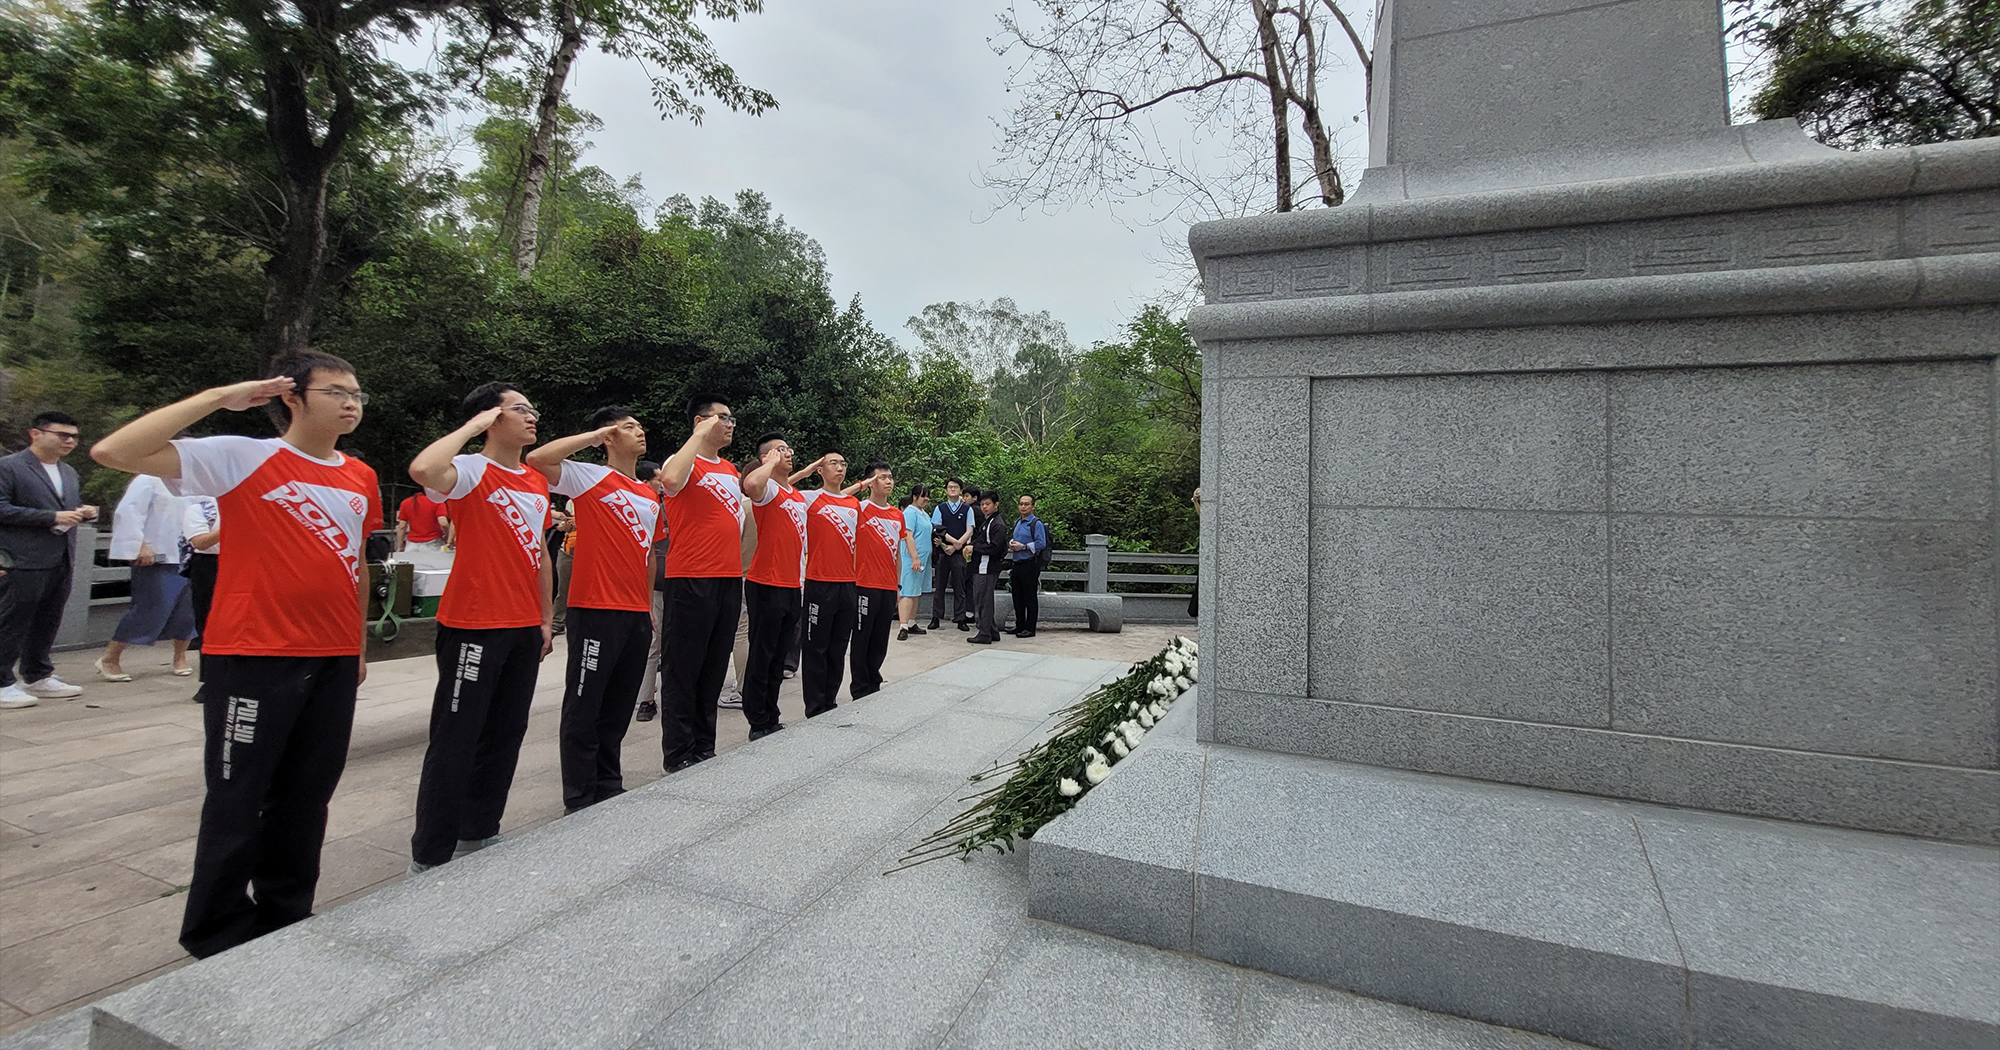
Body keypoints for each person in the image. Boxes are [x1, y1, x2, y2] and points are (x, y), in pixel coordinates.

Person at [90, 352, 379, 959]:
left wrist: (354, 643)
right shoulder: (243, 456)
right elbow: (113, 452)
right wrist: (219, 396)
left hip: (329, 654)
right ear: (292, 397)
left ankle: (286, 914)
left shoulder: (360, 475)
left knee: (307, 797)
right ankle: (215, 933)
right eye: (335, 391)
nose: (351, 402)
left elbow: (355, 565)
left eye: (356, 393)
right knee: (236, 796)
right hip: (254, 652)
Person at [407, 381, 554, 874]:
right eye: (520, 409)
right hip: (473, 624)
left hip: (521, 626)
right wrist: (473, 426)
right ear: (492, 419)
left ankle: (481, 830)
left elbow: (538, 556)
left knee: (506, 731)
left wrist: (545, 616)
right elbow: (424, 469)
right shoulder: (470, 470)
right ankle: (431, 852)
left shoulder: (534, 481)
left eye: (532, 409)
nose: (532, 416)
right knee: (456, 736)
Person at [527, 406, 659, 813]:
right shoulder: (587, 477)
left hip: (635, 611)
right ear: (607, 436)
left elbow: (648, 553)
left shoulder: (650, 494)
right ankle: (579, 794)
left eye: (639, 426)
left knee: (618, 704)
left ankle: (608, 781)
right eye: (629, 427)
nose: (639, 432)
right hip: (594, 607)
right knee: (586, 703)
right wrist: (596, 433)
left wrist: (647, 606)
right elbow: (537, 459)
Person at [655, 394, 744, 773]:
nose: (730, 424)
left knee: (713, 665)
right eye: (722, 418)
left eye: (731, 417)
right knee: (682, 667)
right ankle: (678, 752)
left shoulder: (729, 469)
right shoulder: (682, 463)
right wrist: (698, 436)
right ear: (700, 422)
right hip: (691, 577)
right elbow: (670, 480)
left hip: (727, 578)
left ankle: (704, 745)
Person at [0, 411, 98, 708]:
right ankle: (2, 680)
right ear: (36, 433)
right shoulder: (9, 467)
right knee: (12, 620)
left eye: (74, 436)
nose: (69, 441)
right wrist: (50, 516)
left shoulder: (69, 472)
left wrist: (82, 512)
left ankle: (37, 674)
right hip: (21, 557)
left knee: (48, 618)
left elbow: (62, 509)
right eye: (62, 435)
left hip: (61, 555)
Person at [97, 473, 197, 681]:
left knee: (188, 610)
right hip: (158, 554)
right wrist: (137, 545)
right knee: (151, 607)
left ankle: (180, 656)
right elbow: (129, 512)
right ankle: (110, 657)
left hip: (191, 553)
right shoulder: (148, 479)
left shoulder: (197, 480)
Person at [738, 432, 805, 741]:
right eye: (781, 450)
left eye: (788, 449)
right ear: (766, 458)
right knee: (762, 654)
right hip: (766, 582)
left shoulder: (794, 494)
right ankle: (758, 719)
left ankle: (771, 714)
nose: (787, 453)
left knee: (779, 656)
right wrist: (770, 460)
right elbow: (751, 484)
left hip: (792, 584)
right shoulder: (767, 490)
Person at [792, 451, 858, 716]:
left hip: (848, 584)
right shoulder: (809, 498)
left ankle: (830, 701)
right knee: (815, 646)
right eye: (833, 463)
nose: (840, 468)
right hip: (820, 582)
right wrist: (806, 470)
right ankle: (815, 705)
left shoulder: (854, 504)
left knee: (839, 645)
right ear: (821, 469)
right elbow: (781, 487)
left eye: (843, 463)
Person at [849, 463, 917, 698]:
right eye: (882, 478)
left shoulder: (897, 514)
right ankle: (859, 686)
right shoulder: (859, 509)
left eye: (890, 477)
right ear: (870, 482)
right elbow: (836, 498)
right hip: (864, 584)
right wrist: (860, 487)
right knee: (861, 638)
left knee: (880, 639)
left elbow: (897, 554)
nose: (888, 481)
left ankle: (873, 681)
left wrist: (898, 585)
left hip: (888, 586)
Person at [633, 459, 665, 723]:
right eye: (658, 478)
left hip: (674, 583)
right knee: (654, 644)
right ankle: (646, 699)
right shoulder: (645, 507)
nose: (663, 482)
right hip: (657, 586)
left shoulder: (667, 505)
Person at [181, 493, 221, 674]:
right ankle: (209, 678)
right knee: (207, 621)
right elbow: (200, 542)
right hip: (208, 563)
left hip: (243, 561)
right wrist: (231, 525)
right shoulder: (200, 508)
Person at [928, 478, 971, 632]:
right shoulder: (940, 508)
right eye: (950, 487)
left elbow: (970, 529)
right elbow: (938, 529)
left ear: (960, 490)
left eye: (956, 487)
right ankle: (936, 617)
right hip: (943, 551)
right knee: (939, 585)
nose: (953, 489)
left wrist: (958, 545)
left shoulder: (967, 509)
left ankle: (960, 618)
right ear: (946, 490)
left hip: (959, 554)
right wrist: (952, 544)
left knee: (960, 586)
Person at [1007, 494, 1052, 638]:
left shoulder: (1036, 523)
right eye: (1021, 504)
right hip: (1017, 563)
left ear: (1033, 506)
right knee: (1017, 596)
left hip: (1030, 563)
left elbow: (1041, 543)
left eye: (1026, 504)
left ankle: (1030, 628)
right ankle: (1019, 625)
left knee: (1029, 597)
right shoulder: (1018, 522)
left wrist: (1023, 547)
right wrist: (1013, 544)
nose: (1023, 507)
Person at [966, 489, 1007, 644]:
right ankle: (992, 631)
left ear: (996, 505)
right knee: (983, 598)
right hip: (982, 566)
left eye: (987, 504)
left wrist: (974, 548)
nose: (984, 507)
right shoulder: (988, 521)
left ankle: (984, 633)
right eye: (982, 504)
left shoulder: (997, 524)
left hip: (987, 567)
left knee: (983, 599)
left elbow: (995, 548)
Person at [897, 485, 933, 640]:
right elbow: (908, 536)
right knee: (908, 591)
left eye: (927, 496)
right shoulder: (910, 513)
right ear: (914, 497)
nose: (926, 499)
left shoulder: (924, 514)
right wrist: (914, 557)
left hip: (924, 557)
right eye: (922, 496)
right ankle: (903, 625)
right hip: (911, 557)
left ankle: (911, 622)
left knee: (916, 591)